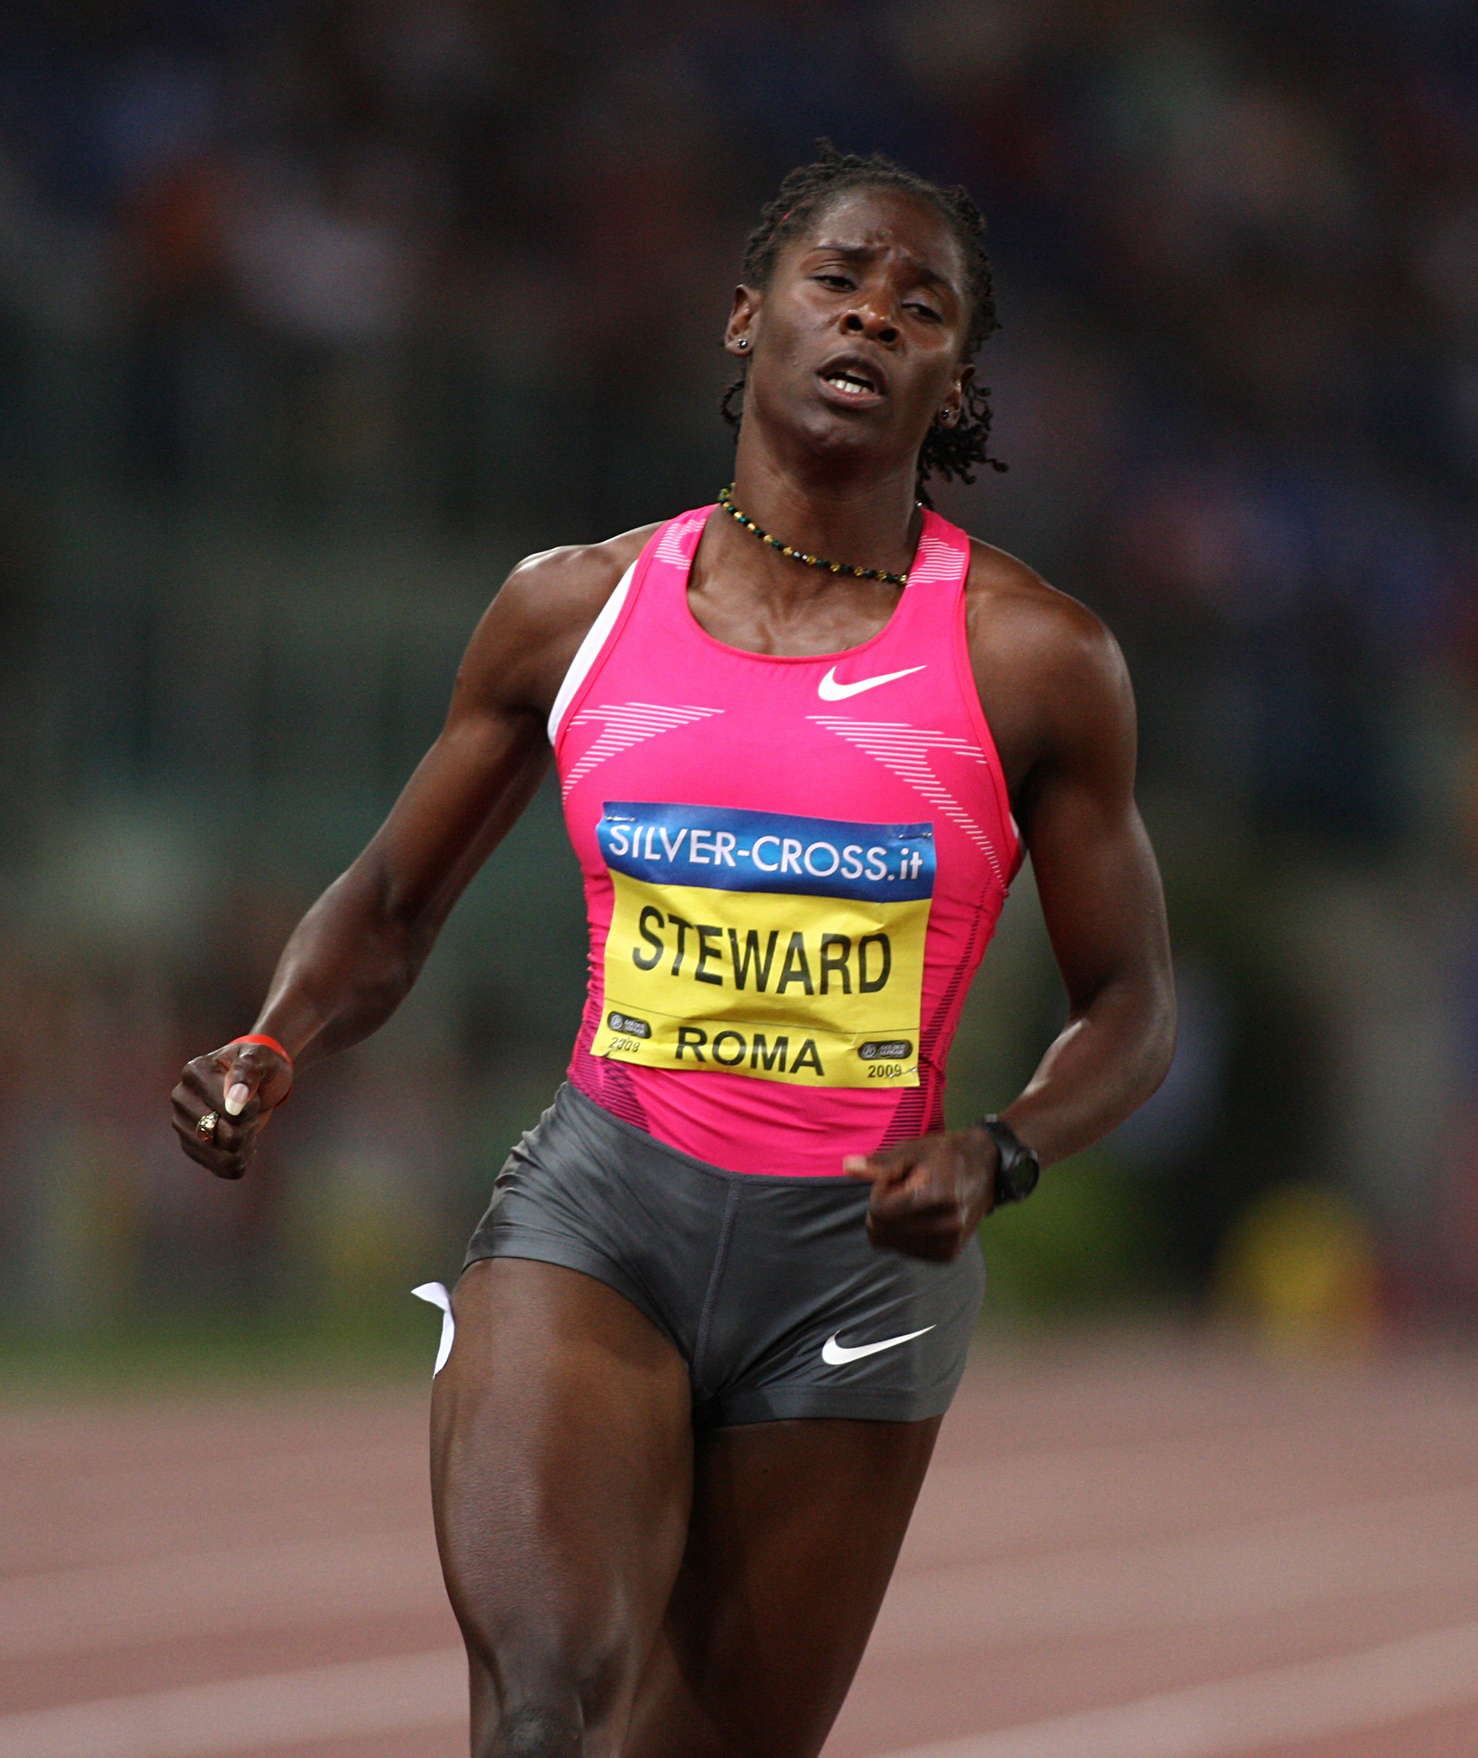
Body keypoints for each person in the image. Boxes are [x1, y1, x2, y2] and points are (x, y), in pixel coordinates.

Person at [172, 144, 1175, 1758]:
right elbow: (391, 900)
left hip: (855, 1269)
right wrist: (273, 1036)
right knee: (541, 1706)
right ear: (745, 316)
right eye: (835, 278)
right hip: (600, 1218)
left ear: (954, 381)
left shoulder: (1034, 657)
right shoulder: (569, 612)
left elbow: (1129, 1004)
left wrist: (998, 1150)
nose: (871, 318)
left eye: (920, 308)